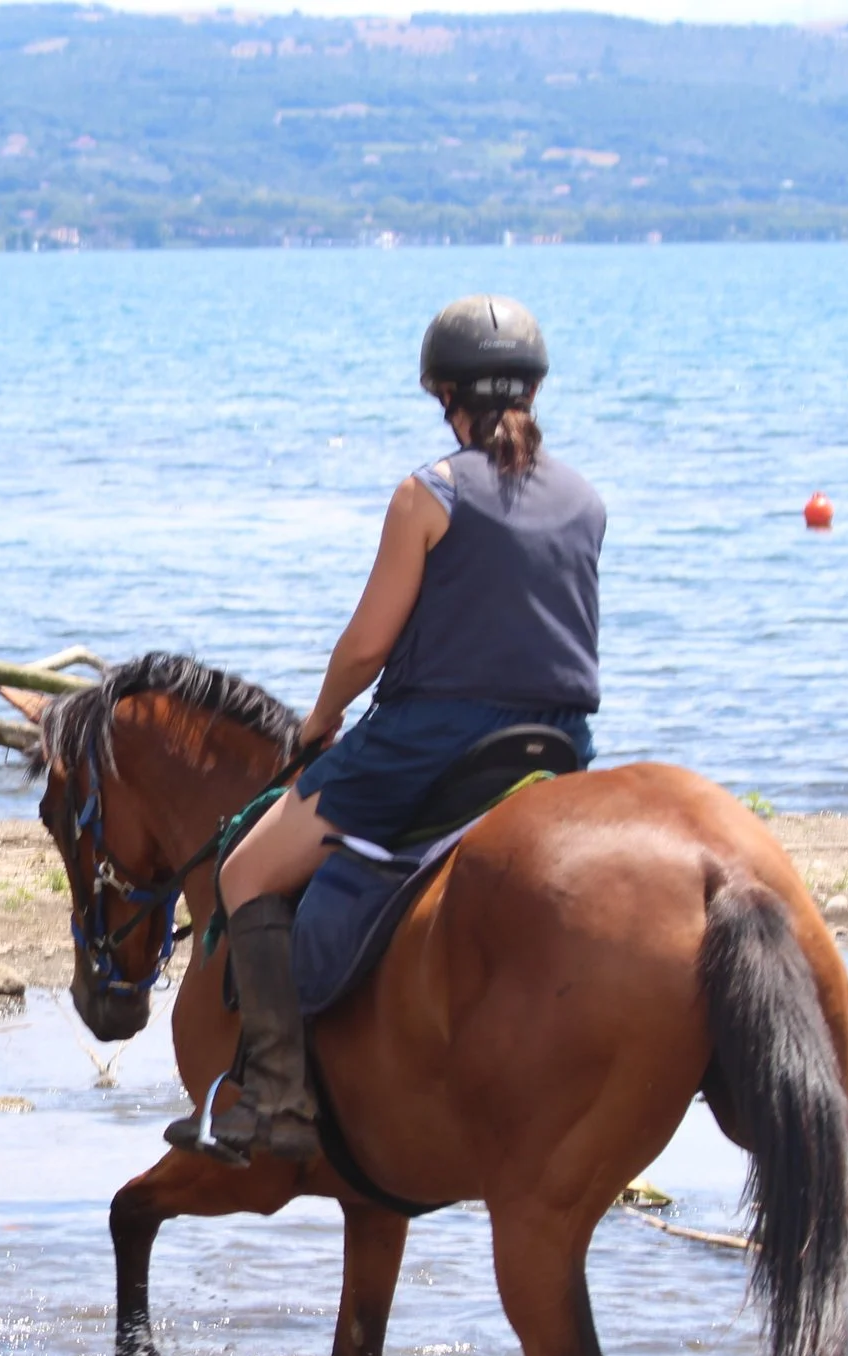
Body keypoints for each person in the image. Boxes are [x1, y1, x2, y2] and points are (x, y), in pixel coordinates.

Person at [188, 294, 605, 1164]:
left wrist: (321, 718)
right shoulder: (585, 500)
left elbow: (368, 646)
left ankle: (277, 1095)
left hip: (432, 749)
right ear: (531, 392)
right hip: (556, 752)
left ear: (446, 397)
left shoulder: (428, 495)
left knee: (245, 871)